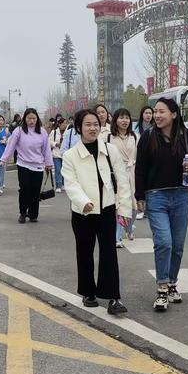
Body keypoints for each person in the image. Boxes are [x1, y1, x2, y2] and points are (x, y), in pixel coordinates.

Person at [135, 97, 188, 311]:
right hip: (156, 196)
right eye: (155, 111)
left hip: (182, 195)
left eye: (161, 111)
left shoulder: (187, 136)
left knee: (178, 244)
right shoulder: (147, 138)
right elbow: (140, 168)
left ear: (174, 114)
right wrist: (140, 196)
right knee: (164, 242)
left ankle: (173, 283)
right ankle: (162, 287)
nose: (157, 115)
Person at [62, 109, 132, 315]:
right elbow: (71, 184)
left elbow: (122, 180)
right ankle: (88, 291)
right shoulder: (70, 155)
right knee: (85, 251)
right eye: (88, 125)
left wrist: (125, 208)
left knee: (109, 253)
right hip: (83, 212)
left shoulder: (110, 150)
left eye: (95, 124)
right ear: (79, 128)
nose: (93, 128)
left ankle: (113, 297)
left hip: (107, 209)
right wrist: (83, 202)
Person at [0, 108, 53, 223]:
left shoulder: (42, 132)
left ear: (37, 119)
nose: (32, 121)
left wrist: (49, 163)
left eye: (34, 118)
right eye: (29, 118)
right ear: (24, 119)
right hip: (23, 164)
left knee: (35, 190)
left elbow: (46, 149)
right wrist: (4, 159)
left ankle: (33, 214)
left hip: (38, 165)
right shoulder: (19, 131)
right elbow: (11, 146)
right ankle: (23, 213)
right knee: (24, 189)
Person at [107, 108, 138, 247]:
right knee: (119, 205)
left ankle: (129, 227)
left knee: (133, 205)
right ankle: (117, 237)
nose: (124, 120)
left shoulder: (135, 136)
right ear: (115, 120)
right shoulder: (109, 137)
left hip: (133, 173)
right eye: (121, 117)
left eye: (127, 117)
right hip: (116, 174)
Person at [49, 117, 68, 192]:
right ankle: (58, 185)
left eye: (66, 123)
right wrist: (56, 144)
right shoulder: (54, 132)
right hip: (56, 154)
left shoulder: (68, 132)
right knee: (58, 169)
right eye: (63, 123)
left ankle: (63, 184)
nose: (65, 125)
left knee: (65, 170)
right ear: (59, 124)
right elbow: (49, 141)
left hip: (65, 154)